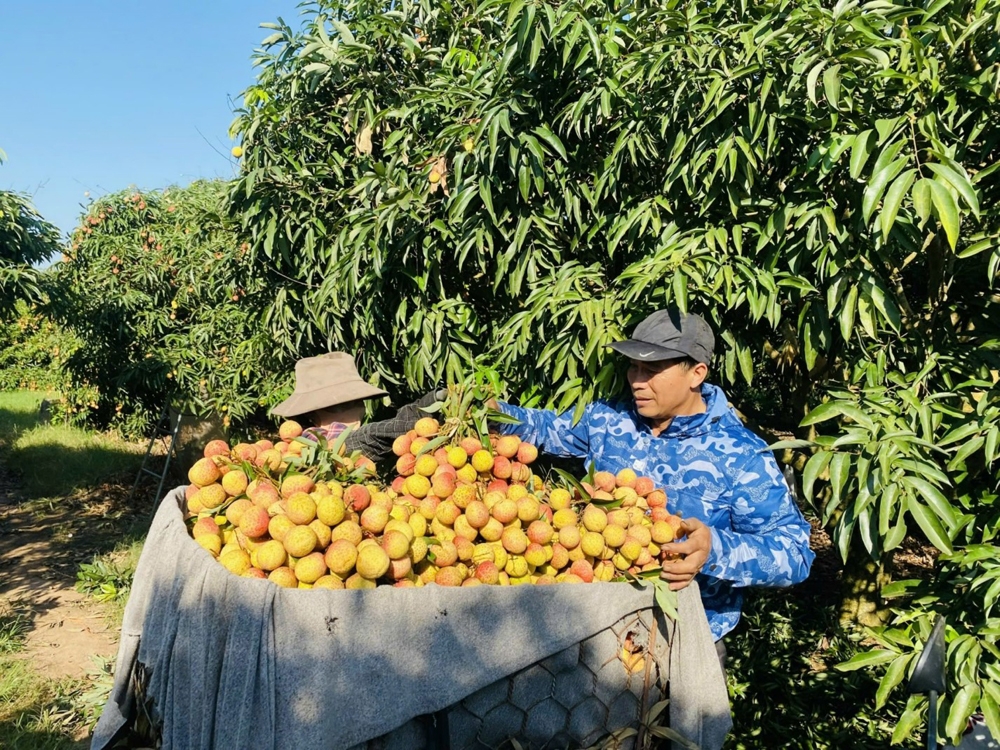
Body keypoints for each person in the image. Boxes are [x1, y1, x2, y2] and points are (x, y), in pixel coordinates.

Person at [490, 309, 815, 665]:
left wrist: (714, 549)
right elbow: (545, 428)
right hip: (596, 631)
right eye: (633, 367)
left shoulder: (741, 455)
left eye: (652, 369)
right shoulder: (611, 419)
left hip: (683, 640)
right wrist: (492, 412)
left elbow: (794, 554)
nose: (636, 381)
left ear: (696, 373)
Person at [270, 352, 441, 464]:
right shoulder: (337, 445)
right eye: (356, 401)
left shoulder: (294, 447)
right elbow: (382, 431)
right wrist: (436, 400)